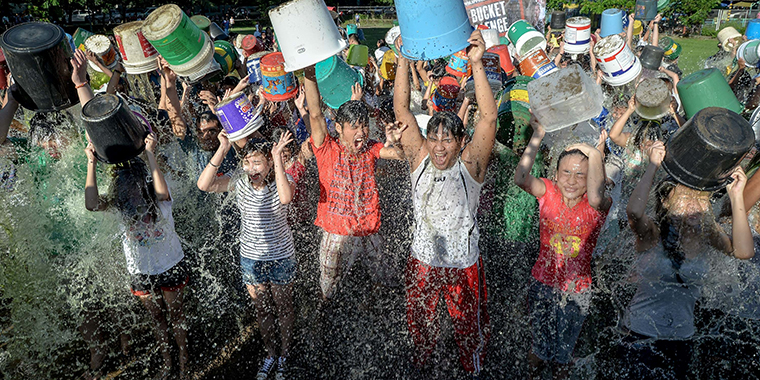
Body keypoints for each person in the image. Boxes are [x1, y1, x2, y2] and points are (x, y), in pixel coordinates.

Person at [393, 29, 496, 376]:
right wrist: (404, 60)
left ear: (461, 141)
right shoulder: (419, 158)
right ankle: (422, 367)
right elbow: (401, 108)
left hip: (463, 262)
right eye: (433, 138)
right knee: (421, 328)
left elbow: (489, 118)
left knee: (468, 330)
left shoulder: (471, 166)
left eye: (447, 140)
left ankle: (472, 369)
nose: (439, 147)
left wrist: (477, 64)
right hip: (423, 259)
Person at [619, 141, 753, 379]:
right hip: (640, 335)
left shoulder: (708, 236)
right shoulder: (652, 234)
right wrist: (652, 166)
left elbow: (743, 252)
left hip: (682, 339)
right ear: (666, 201)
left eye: (701, 199)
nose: (694, 204)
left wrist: (737, 196)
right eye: (685, 196)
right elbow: (634, 213)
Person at [84, 133, 189, 380]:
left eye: (134, 186)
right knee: (156, 318)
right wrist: (92, 162)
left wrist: (150, 154)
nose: (131, 193)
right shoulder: (119, 206)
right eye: (125, 189)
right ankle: (167, 362)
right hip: (141, 272)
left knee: (176, 315)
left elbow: (162, 192)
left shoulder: (159, 197)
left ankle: (183, 360)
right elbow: (91, 204)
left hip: (170, 263)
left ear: (143, 183)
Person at [514, 114, 612, 380]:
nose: (571, 179)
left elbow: (594, 192)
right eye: (566, 172)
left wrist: (593, 152)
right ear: (555, 176)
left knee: (563, 357)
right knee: (538, 349)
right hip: (542, 283)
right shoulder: (548, 192)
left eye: (581, 174)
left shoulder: (597, 206)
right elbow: (521, 177)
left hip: (576, 290)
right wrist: (537, 136)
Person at [302, 59, 406, 303]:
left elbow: (400, 156)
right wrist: (309, 72)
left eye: (364, 126)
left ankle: (375, 311)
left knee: (381, 277)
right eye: (354, 127)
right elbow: (316, 114)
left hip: (368, 228)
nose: (361, 133)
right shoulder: (327, 149)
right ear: (338, 127)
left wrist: (396, 141)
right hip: (336, 232)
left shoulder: (370, 148)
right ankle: (323, 317)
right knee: (328, 285)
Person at [197, 130, 297, 380]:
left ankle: (284, 355)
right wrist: (222, 149)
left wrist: (277, 160)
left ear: (269, 163)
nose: (251, 168)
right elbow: (204, 185)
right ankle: (270, 354)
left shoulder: (283, 180)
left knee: (283, 307)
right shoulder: (239, 181)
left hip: (280, 256)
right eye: (247, 161)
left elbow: (285, 198)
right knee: (262, 309)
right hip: (252, 258)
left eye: (257, 162)